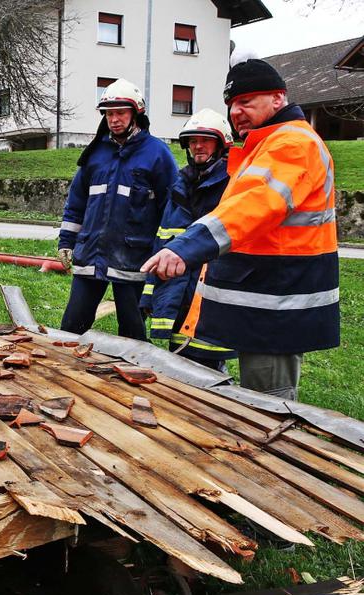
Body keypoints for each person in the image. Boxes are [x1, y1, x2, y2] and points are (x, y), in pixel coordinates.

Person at [141, 58, 339, 400]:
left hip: (278, 303)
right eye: (232, 104)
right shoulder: (268, 144)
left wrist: (186, 248)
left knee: (269, 405)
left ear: (278, 99)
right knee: (255, 400)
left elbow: (251, 207)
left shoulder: (292, 144)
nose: (236, 111)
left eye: (246, 102)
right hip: (265, 297)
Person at [57, 78, 178, 340]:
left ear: (136, 114)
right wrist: (66, 241)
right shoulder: (95, 154)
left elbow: (170, 209)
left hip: (134, 260)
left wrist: (167, 250)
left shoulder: (158, 154)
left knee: (132, 334)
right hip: (91, 254)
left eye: (120, 113)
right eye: (109, 114)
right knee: (70, 328)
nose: (114, 119)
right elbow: (76, 202)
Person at [140, 110, 237, 371]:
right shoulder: (180, 185)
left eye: (205, 140)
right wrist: (149, 296)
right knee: (179, 365)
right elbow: (163, 241)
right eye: (192, 141)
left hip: (211, 294)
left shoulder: (232, 187)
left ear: (221, 144)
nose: (198, 146)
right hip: (177, 292)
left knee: (209, 370)